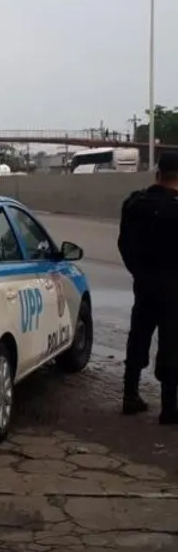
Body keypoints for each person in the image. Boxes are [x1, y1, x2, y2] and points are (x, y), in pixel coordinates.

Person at [118, 151, 178, 425]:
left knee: (139, 336)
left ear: (157, 174)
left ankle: (130, 395)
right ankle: (169, 407)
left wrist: (139, 272)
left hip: (144, 284)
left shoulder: (134, 204)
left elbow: (124, 245)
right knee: (172, 344)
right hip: (173, 287)